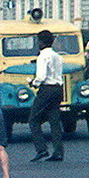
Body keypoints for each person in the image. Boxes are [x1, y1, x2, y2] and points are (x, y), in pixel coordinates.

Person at [28, 29, 65, 163]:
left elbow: (41, 76)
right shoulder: (57, 56)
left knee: (33, 119)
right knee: (54, 120)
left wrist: (34, 83)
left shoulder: (42, 56)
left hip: (46, 89)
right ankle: (58, 151)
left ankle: (41, 149)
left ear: (41, 42)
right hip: (58, 88)